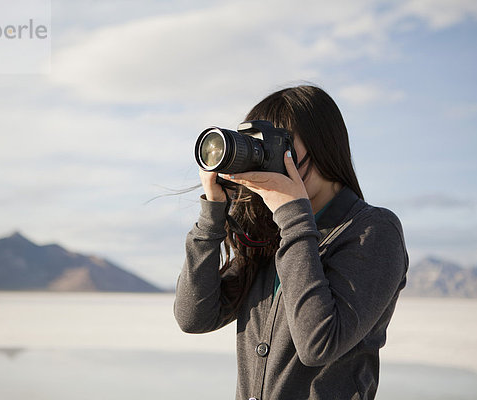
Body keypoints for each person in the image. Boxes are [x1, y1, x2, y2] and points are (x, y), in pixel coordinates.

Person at [174, 85, 409, 400]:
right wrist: (212, 214)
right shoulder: (269, 233)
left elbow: (317, 344)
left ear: (322, 144)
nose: (265, 160)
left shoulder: (373, 231)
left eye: (276, 145)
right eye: (256, 146)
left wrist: (293, 217)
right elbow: (193, 317)